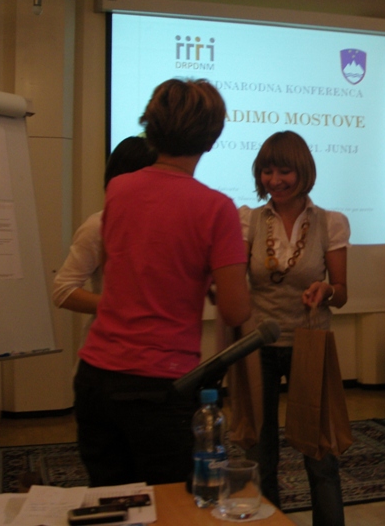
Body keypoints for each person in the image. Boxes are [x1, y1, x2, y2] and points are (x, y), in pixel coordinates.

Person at [74, 78, 251, 487]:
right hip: (159, 383)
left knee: (111, 498)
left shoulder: (119, 189)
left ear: (150, 127)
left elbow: (126, 270)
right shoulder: (217, 208)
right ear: (212, 138)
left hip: (96, 375)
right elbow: (235, 310)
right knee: (168, 504)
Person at [240, 131, 349, 526]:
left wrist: (326, 290)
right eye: (267, 171)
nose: (275, 180)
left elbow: (342, 293)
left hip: (309, 343)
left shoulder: (330, 222)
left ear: (303, 171)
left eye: (284, 171)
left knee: (320, 454)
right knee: (259, 453)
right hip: (258, 345)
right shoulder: (248, 220)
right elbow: (235, 281)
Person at [52, 137, 157, 350]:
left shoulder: (170, 224)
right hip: (109, 349)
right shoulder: (99, 225)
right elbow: (63, 291)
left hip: (159, 349)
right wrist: (119, 307)